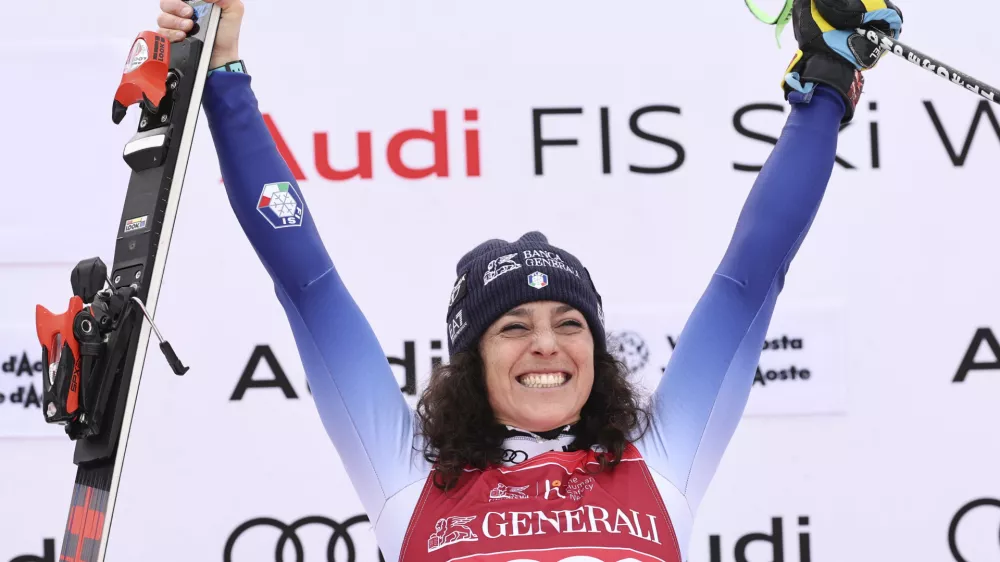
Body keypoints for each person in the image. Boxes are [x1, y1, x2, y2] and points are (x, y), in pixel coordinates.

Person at [156, 0, 902, 559]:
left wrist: (829, 81)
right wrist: (221, 72)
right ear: (470, 361)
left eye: (569, 324)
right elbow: (308, 283)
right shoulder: (409, 478)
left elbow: (751, 274)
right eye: (513, 326)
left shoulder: (663, 456)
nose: (547, 345)